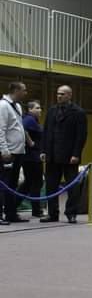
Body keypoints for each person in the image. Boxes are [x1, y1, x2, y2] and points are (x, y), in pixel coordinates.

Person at [40, 85, 87, 224]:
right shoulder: (51, 110)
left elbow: (81, 135)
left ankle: (71, 213)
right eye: (58, 94)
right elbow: (46, 131)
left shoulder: (79, 112)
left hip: (69, 156)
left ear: (69, 95)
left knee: (72, 187)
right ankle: (52, 214)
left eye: (62, 94)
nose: (59, 96)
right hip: (52, 155)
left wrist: (76, 154)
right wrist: (43, 150)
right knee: (51, 186)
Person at [0, 82, 29, 224]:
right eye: (24, 90)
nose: (26, 93)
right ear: (16, 90)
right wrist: (4, 150)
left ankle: (11, 213)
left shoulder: (17, 106)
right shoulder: (3, 105)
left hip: (18, 152)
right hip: (8, 153)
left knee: (12, 185)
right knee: (3, 185)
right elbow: (1, 129)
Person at [18, 101, 45, 217]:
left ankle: (13, 206)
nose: (40, 110)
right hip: (32, 157)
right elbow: (22, 130)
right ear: (30, 109)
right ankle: (36, 210)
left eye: (40, 108)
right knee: (36, 183)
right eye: (37, 108)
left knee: (29, 183)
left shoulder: (33, 120)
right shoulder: (29, 119)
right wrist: (31, 143)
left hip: (31, 157)